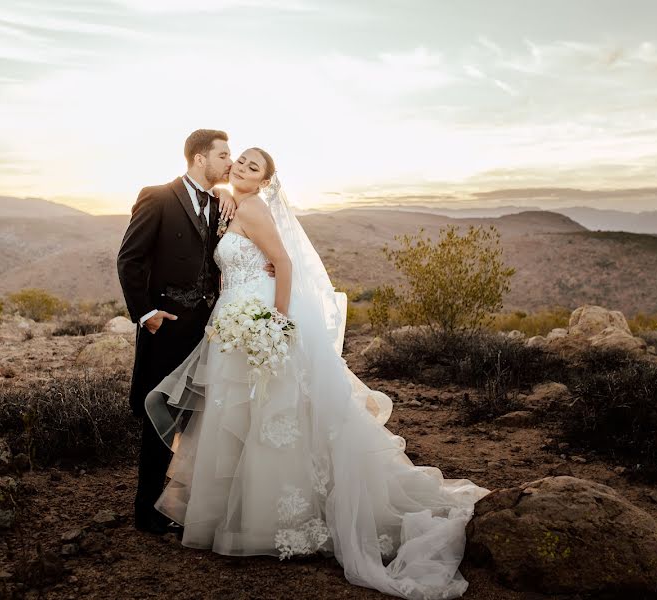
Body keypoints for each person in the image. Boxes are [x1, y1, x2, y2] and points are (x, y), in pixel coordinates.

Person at [144, 147, 490, 599]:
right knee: (238, 415)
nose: (242, 167)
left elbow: (283, 263)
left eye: (253, 166)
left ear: (265, 181)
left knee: (273, 414)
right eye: (239, 160)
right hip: (231, 321)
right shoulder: (230, 203)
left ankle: (276, 519)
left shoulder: (254, 207)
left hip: (258, 319)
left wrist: (277, 321)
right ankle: (238, 510)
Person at [117, 129, 248, 534]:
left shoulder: (219, 202)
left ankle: (182, 502)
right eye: (224, 155)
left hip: (208, 328)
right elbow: (130, 259)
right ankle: (147, 511)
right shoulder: (156, 196)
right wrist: (147, 313)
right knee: (160, 414)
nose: (231, 162)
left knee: (198, 419)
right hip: (167, 327)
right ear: (199, 158)